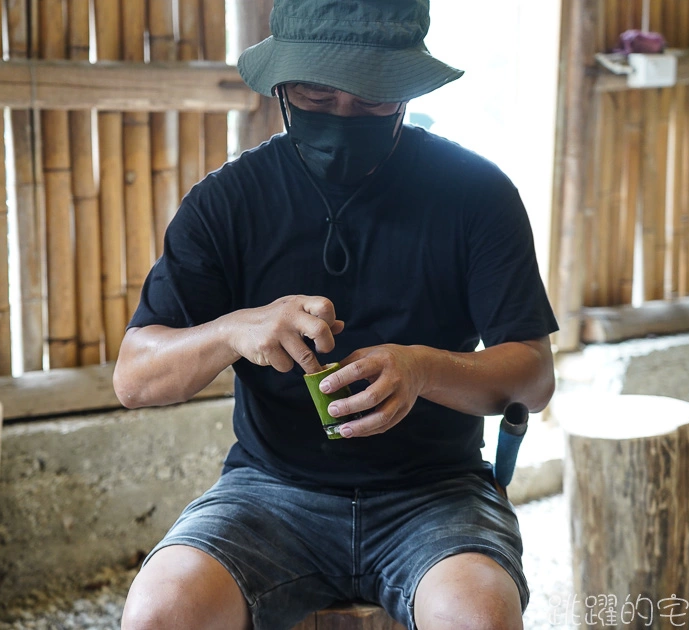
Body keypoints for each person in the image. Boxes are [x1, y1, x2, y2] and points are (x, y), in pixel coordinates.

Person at [114, 0, 558, 628]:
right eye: (319, 93)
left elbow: (534, 377)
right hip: (268, 490)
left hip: (436, 491)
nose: (346, 110)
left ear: (406, 90)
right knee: (159, 614)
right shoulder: (226, 203)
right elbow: (134, 378)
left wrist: (423, 370)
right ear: (282, 89)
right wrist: (232, 329)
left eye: (374, 97)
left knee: (478, 616)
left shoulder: (476, 195)